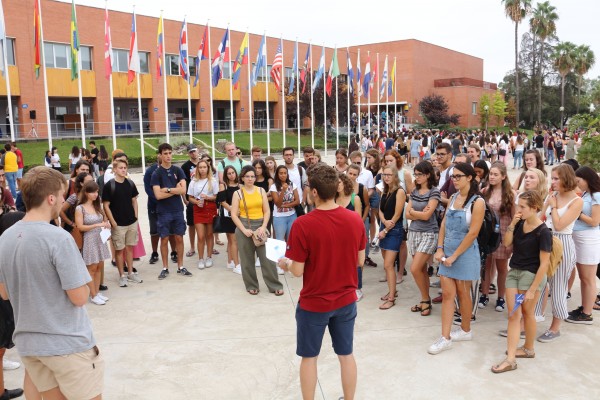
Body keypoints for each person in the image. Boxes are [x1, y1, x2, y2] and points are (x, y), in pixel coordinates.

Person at [0, 167, 104, 400]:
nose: (64, 200)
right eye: (62, 195)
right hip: (66, 344)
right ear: (51, 198)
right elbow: (79, 297)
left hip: (30, 344)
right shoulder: (58, 237)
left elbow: (4, 293)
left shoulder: (5, 238)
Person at [277, 164, 366, 400]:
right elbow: (360, 260)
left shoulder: (303, 224)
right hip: (346, 300)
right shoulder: (354, 220)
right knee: (346, 354)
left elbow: (297, 271)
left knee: (309, 357)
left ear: (314, 191)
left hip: (314, 303)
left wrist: (284, 263)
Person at [491, 191, 551, 373]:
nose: (519, 209)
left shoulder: (543, 231)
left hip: (531, 275)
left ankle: (528, 349)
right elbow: (507, 243)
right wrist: (513, 223)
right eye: (518, 205)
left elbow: (544, 264)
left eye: (523, 207)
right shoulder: (519, 224)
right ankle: (512, 358)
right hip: (514, 272)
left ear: (535, 208)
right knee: (513, 315)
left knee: (527, 313)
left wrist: (533, 288)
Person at [430, 163, 484, 355]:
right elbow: (444, 224)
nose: (454, 179)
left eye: (458, 176)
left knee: (463, 293)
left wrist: (454, 256)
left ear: (470, 177)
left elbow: (473, 233)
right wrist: (439, 248)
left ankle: (465, 329)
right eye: (453, 176)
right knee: (447, 295)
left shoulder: (478, 202)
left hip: (466, 253)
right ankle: (445, 338)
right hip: (448, 253)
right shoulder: (452, 198)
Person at [536, 164, 582, 342]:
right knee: (538, 282)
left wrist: (553, 207)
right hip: (546, 239)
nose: (553, 181)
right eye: (552, 178)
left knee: (558, 287)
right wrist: (547, 203)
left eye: (556, 178)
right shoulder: (553, 196)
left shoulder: (577, 201)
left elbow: (560, 225)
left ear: (566, 179)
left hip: (562, 243)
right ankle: (531, 320)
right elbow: (540, 218)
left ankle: (555, 327)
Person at [230, 166, 283, 295]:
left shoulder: (261, 191)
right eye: (247, 176)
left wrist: (264, 226)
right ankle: (251, 285)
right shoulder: (237, 193)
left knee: (268, 259)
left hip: (260, 226)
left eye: (252, 176)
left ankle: (275, 285)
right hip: (244, 226)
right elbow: (234, 214)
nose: (250, 179)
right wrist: (244, 230)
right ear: (242, 178)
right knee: (247, 260)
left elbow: (267, 211)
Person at [152, 143, 192, 279]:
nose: (168, 156)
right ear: (160, 155)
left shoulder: (178, 170)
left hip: (177, 210)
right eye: (165, 153)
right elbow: (158, 195)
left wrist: (168, 189)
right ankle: (165, 267)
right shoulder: (156, 173)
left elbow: (183, 190)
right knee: (164, 239)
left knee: (179, 238)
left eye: (170, 153)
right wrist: (175, 190)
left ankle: (180, 266)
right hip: (163, 211)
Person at [479, 162, 515, 312]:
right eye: (491, 174)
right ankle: (484, 294)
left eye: (495, 174)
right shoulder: (485, 191)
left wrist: (512, 239)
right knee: (486, 266)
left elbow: (514, 217)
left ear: (503, 176)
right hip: (487, 234)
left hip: (503, 233)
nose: (492, 177)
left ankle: (501, 297)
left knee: (502, 268)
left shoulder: (510, 194)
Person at [406, 161, 440, 317]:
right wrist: (416, 213)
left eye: (419, 174)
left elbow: (427, 216)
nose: (417, 177)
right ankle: (425, 300)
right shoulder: (414, 191)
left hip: (429, 233)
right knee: (421, 270)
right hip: (413, 232)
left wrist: (415, 213)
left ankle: (426, 299)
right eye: (416, 174)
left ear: (427, 175)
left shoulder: (434, 192)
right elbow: (406, 214)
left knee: (414, 268)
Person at [102, 159, 143, 287]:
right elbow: (106, 205)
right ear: (114, 170)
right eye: (120, 168)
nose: (123, 170)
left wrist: (135, 216)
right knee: (119, 250)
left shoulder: (130, 183)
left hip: (131, 222)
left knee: (130, 248)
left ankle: (130, 272)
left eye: (125, 167)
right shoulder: (110, 185)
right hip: (118, 224)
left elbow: (134, 201)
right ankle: (122, 275)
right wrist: (112, 221)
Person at [567, 166, 600, 324]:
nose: (577, 184)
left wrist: (577, 213)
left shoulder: (597, 196)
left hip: (589, 239)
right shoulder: (587, 194)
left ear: (587, 179)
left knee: (588, 278)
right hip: (580, 238)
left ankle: (587, 313)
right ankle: (584, 307)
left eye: (579, 181)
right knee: (583, 277)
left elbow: (595, 221)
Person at [75, 181, 111, 305]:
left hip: (100, 238)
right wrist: (97, 224)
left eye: (97, 192)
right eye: (93, 192)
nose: (96, 194)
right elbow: (80, 227)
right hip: (90, 239)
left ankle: (96, 292)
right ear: (86, 193)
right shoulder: (80, 208)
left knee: (99, 267)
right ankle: (93, 294)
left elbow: (104, 219)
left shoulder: (97, 206)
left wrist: (106, 226)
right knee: (92, 268)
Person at [377, 165, 406, 310]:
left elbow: (397, 214)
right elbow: (380, 211)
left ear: (395, 176)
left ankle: (391, 298)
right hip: (385, 228)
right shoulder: (385, 191)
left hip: (394, 230)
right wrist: (383, 223)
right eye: (384, 175)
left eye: (389, 175)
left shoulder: (400, 191)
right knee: (387, 265)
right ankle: (392, 290)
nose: (386, 177)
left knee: (388, 265)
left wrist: (386, 229)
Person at [187, 159, 219, 270]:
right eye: (200, 167)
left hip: (210, 207)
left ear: (208, 168)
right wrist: (196, 202)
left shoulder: (213, 181)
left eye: (204, 167)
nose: (202, 169)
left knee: (209, 235)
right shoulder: (193, 181)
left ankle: (209, 257)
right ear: (197, 169)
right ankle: (200, 258)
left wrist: (208, 197)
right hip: (198, 209)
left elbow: (216, 197)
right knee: (200, 236)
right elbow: (189, 197)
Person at [217, 166, 241, 274]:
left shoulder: (240, 185)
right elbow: (222, 201)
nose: (231, 175)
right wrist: (232, 210)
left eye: (233, 172)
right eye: (229, 173)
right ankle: (236, 264)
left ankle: (230, 261)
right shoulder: (223, 185)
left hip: (239, 215)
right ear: (226, 175)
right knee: (233, 239)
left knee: (232, 241)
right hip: (228, 215)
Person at [181, 144, 200, 258]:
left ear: (198, 151)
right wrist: (185, 199)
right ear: (188, 153)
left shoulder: (204, 164)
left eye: (194, 151)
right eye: (191, 152)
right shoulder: (185, 167)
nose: (193, 153)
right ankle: (192, 247)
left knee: (207, 224)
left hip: (203, 197)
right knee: (191, 224)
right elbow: (182, 183)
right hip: (191, 198)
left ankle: (209, 246)